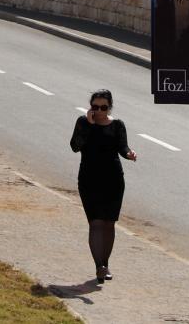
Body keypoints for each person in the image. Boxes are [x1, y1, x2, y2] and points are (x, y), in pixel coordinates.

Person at [69, 89, 136, 283]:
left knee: (109, 224)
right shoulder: (83, 122)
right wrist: (90, 125)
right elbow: (75, 146)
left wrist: (130, 153)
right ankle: (99, 267)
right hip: (89, 179)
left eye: (103, 107)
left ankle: (105, 264)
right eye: (95, 107)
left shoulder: (117, 125)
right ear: (90, 107)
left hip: (113, 180)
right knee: (96, 223)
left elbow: (122, 147)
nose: (99, 111)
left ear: (110, 107)